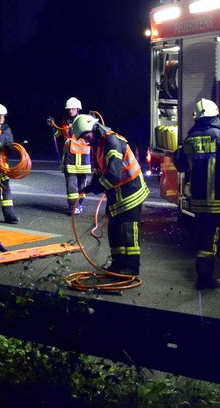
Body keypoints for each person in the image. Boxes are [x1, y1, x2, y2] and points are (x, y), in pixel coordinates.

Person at [172, 99, 220, 289]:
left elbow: (181, 165)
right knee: (211, 239)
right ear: (215, 115)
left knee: (203, 236)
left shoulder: (190, 138)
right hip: (215, 199)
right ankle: (205, 278)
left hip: (197, 200)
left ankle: (203, 275)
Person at [74, 113, 148, 275]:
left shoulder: (112, 142)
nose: (86, 141)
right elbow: (101, 170)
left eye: (86, 136)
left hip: (131, 191)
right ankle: (118, 263)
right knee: (114, 227)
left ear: (94, 128)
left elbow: (114, 175)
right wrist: (91, 185)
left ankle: (132, 267)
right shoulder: (97, 144)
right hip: (117, 193)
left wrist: (95, 188)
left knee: (127, 228)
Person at [47, 97, 89, 215]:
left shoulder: (84, 120)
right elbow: (59, 133)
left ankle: (79, 205)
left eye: (73, 108)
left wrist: (92, 120)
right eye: (69, 109)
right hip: (69, 158)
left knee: (81, 186)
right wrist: (52, 126)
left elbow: (93, 132)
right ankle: (72, 207)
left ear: (78, 109)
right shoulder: (65, 122)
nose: (71, 111)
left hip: (83, 159)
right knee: (71, 185)